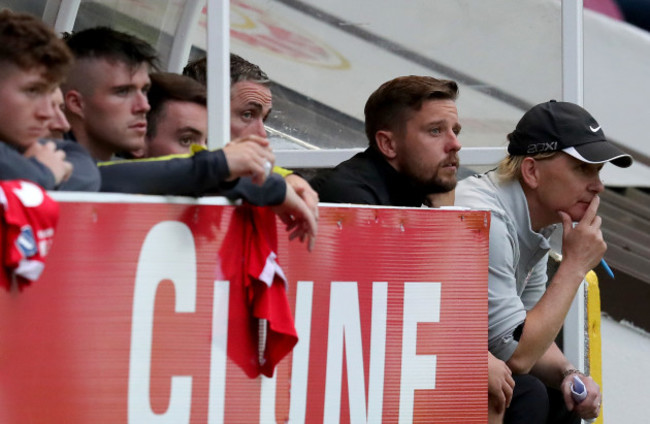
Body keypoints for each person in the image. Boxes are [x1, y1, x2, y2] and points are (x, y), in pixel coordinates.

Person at [455, 100, 633, 423]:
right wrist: (575, 265)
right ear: (532, 172)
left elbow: (531, 335)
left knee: (564, 395)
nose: (599, 186)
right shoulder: (489, 220)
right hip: (410, 369)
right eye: (583, 169)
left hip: (459, 363)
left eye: (598, 171)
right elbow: (518, 354)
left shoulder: (536, 220)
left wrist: (569, 373)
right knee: (528, 394)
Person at [62, 28, 316, 247]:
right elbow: (100, 176)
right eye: (122, 92)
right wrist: (243, 175)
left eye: (144, 90)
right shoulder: (54, 159)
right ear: (75, 102)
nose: (143, 105)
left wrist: (283, 179)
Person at [183, 54, 319, 215]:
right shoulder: (171, 164)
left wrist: (289, 177)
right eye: (247, 115)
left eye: (264, 119)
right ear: (202, 112)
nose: (262, 134)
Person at [309, 75, 461, 206]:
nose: (456, 144)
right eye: (435, 131)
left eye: (455, 131)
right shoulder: (350, 197)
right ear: (388, 144)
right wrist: (443, 215)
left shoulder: (414, 187)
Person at [0, 9, 102, 192]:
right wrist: (45, 173)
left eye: (49, 93)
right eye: (32, 91)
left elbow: (86, 171)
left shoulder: (35, 148)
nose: (47, 113)